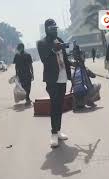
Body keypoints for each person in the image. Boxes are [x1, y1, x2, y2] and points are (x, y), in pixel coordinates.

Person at [37, 19, 72, 148]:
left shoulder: (60, 41)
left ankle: (58, 131)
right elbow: (43, 58)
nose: (55, 30)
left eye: (56, 28)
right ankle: (53, 134)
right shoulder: (42, 43)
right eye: (52, 28)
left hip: (62, 77)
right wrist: (53, 50)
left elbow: (65, 59)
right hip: (52, 79)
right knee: (54, 105)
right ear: (47, 29)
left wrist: (70, 74)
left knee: (60, 105)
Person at [72, 45, 101, 111]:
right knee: (98, 85)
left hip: (76, 95)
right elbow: (94, 76)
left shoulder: (73, 72)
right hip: (85, 93)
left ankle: (78, 103)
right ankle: (90, 101)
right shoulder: (85, 69)